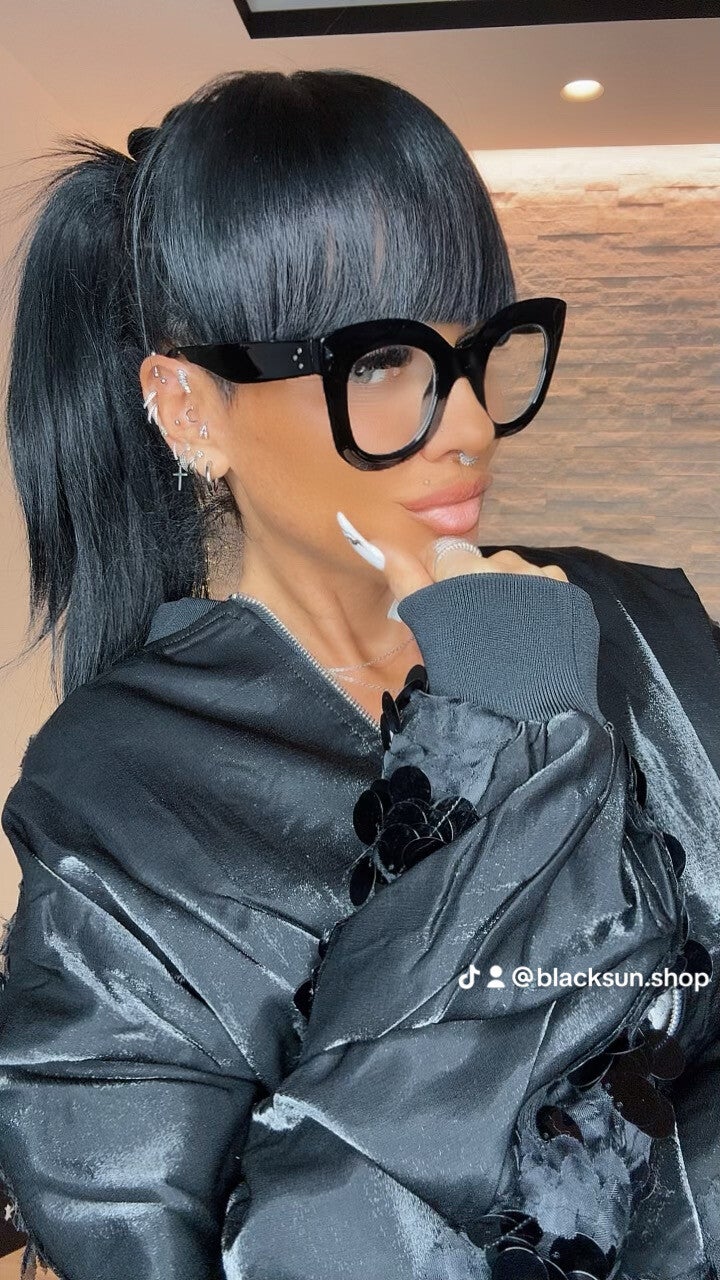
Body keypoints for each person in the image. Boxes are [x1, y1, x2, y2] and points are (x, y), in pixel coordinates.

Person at [0, 67, 718, 1280]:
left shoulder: (633, 623)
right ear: (188, 406)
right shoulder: (114, 796)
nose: (470, 425)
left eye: (479, 348)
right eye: (383, 360)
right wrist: (503, 746)